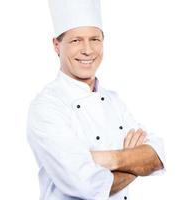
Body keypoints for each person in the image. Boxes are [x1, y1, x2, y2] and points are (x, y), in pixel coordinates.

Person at [26, 0, 166, 199]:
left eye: (94, 39)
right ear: (57, 45)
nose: (88, 50)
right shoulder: (47, 107)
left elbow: (157, 156)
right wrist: (135, 164)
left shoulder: (113, 101)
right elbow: (87, 186)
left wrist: (107, 159)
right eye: (76, 40)